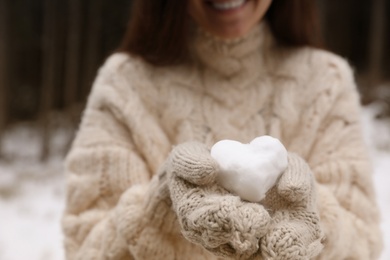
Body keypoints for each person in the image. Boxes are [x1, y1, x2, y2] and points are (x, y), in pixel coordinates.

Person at [61, 0, 383, 259]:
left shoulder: (326, 81)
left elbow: (365, 244)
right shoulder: (123, 86)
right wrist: (159, 212)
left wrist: (314, 215)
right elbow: (83, 248)